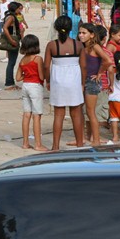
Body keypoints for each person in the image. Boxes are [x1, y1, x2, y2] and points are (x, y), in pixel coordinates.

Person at [44, 15, 84, 150]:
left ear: (56, 28)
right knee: (76, 113)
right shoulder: (77, 45)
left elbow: (46, 66)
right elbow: (83, 66)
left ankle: (55, 146)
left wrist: (48, 81)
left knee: (59, 114)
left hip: (57, 80)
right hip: (74, 81)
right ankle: (80, 144)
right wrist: (82, 83)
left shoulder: (52, 45)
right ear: (70, 28)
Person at [78, 22, 112, 146]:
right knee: (84, 111)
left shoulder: (95, 47)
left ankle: (96, 140)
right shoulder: (83, 47)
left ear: (91, 35)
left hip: (91, 82)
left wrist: (99, 73)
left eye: (84, 33)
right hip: (83, 80)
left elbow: (107, 61)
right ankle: (86, 138)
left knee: (90, 112)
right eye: (80, 33)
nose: (81, 35)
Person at [15, 34, 48, 151]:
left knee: (26, 114)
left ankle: (25, 143)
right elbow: (41, 76)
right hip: (35, 87)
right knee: (37, 115)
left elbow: (18, 78)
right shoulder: (38, 59)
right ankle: (38, 144)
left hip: (25, 86)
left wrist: (26, 74)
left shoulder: (22, 60)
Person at [2, 1, 22, 91]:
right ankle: (9, 83)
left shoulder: (8, 15)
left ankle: (11, 82)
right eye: (18, 8)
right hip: (12, 41)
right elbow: (5, 28)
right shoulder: (11, 17)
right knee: (11, 62)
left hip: (11, 40)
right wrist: (11, 40)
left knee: (11, 62)